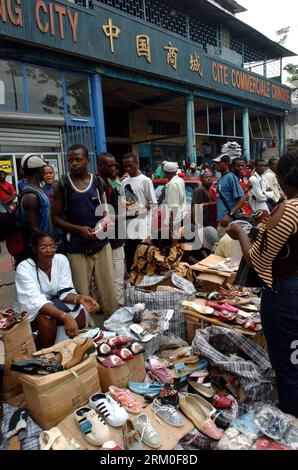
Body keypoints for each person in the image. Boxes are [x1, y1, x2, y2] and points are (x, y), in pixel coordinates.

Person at [226, 150, 298, 418]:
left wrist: (241, 232)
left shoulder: (290, 208)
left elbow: (256, 259)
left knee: (288, 364)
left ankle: (290, 420)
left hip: (285, 294)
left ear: (280, 177)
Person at [52, 144, 118, 319]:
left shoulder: (98, 182)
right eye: (70, 160)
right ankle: (87, 332)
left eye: (78, 159)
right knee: (81, 292)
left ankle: (114, 325)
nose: (73, 163)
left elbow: (105, 210)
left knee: (108, 289)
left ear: (87, 161)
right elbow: (55, 219)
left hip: (101, 244)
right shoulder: (62, 184)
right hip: (77, 247)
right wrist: (78, 230)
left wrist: (105, 221)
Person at [15, 232, 99, 349]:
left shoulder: (61, 259)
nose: (49, 250)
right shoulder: (24, 268)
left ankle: (71, 349)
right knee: (47, 319)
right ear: (34, 249)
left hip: (55, 302)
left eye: (52, 246)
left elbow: (64, 290)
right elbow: (35, 301)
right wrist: (65, 316)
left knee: (79, 311)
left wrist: (79, 298)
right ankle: (44, 354)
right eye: (43, 247)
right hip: (31, 308)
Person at [121, 153, 157, 272]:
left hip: (143, 229)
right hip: (129, 229)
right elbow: (123, 204)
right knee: (130, 261)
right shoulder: (124, 182)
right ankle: (132, 286)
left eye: (130, 166)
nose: (127, 169)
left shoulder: (146, 181)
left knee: (144, 260)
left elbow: (153, 203)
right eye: (125, 166)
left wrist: (142, 209)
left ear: (136, 164)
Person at [98, 152, 125, 306]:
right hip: (110, 237)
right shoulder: (102, 185)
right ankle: (117, 305)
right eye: (110, 165)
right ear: (101, 166)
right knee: (115, 275)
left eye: (116, 165)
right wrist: (129, 215)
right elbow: (106, 214)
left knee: (112, 275)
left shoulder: (113, 183)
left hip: (112, 236)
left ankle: (107, 304)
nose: (115, 168)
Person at [17, 154, 53, 264]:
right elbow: (34, 229)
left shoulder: (38, 190)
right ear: (39, 171)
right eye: (43, 169)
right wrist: (49, 246)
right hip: (39, 250)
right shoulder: (31, 196)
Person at [213, 154, 245, 226]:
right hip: (221, 219)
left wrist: (229, 215)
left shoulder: (231, 177)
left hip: (228, 220)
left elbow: (242, 198)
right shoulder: (220, 179)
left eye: (218, 163)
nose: (215, 165)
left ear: (226, 164)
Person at [163, 162, 188, 231]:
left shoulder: (173, 184)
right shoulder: (180, 180)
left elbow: (174, 206)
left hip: (176, 220)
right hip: (181, 216)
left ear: (166, 172)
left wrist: (171, 223)